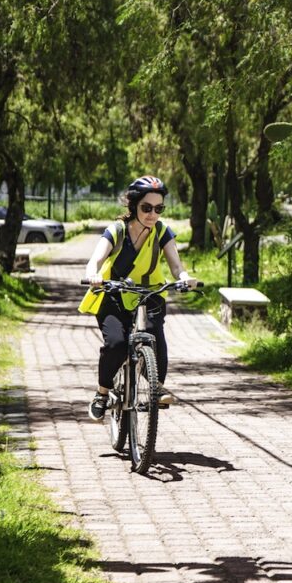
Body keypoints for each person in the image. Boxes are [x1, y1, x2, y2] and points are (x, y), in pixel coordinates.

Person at [79, 176, 197, 421]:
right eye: (146, 208)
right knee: (117, 344)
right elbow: (96, 259)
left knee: (156, 339)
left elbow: (176, 266)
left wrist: (185, 277)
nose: (153, 214)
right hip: (114, 292)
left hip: (150, 293)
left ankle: (156, 386)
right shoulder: (118, 230)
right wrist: (92, 274)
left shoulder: (162, 232)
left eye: (158, 208)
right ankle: (102, 393)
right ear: (134, 206)